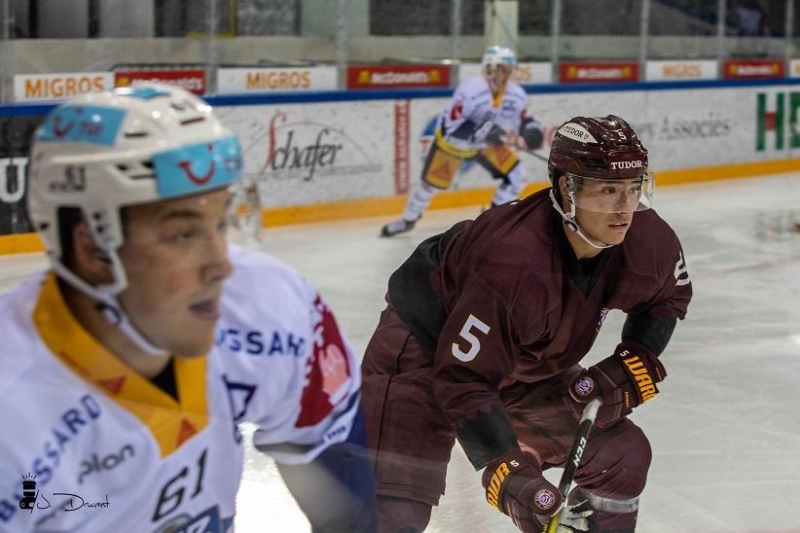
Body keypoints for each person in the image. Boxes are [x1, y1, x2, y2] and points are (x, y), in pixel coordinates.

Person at [0, 84, 377, 533]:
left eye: (221, 223)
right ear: (92, 248)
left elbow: (343, 490)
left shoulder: (269, 307)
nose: (221, 266)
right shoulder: (13, 417)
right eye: (182, 234)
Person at [362, 115, 692, 532]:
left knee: (620, 457)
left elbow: (669, 297)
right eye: (608, 190)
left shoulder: (648, 241)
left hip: (518, 359)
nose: (625, 208)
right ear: (565, 190)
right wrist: (507, 464)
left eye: (633, 189)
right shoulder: (513, 262)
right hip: (422, 351)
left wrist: (635, 359)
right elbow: (464, 379)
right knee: (394, 509)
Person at [380, 45, 545, 237]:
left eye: (509, 70)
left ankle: (493, 221)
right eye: (502, 69)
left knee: (516, 176)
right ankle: (407, 220)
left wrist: (531, 132)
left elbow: (525, 118)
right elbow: (453, 127)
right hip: (453, 145)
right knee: (430, 185)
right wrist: (484, 131)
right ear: (490, 68)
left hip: (486, 145)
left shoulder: (516, 94)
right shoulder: (470, 90)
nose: (507, 75)